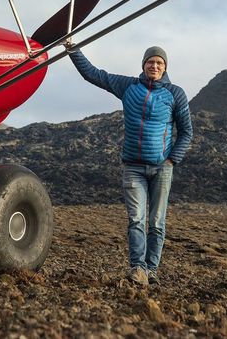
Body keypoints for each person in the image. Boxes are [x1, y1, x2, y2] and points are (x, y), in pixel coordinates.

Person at [66, 44, 193, 286]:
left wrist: (172, 159)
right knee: (136, 219)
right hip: (133, 167)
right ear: (143, 64)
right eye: (150, 62)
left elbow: (186, 132)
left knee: (156, 222)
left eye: (159, 63)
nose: (154, 66)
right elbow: (94, 74)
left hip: (162, 169)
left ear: (165, 67)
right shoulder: (128, 86)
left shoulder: (175, 93)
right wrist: (73, 50)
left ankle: (152, 270)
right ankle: (139, 268)